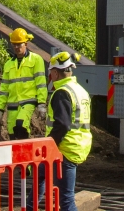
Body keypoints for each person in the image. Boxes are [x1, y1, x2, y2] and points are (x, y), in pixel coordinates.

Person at [46, 51, 91, 211]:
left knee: (66, 201)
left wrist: (50, 144)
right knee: (43, 175)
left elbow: (62, 125)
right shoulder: (80, 90)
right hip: (77, 145)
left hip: (65, 149)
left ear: (55, 73)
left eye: (50, 72)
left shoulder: (62, 93)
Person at [0, 28, 49, 139]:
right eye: (14, 44)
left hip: (28, 101)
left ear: (26, 44)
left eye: (19, 44)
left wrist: (41, 103)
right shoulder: (8, 64)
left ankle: (26, 148)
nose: (16, 47)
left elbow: (41, 83)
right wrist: (0, 109)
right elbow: (4, 89)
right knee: (12, 133)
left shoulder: (36, 60)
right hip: (13, 104)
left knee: (21, 125)